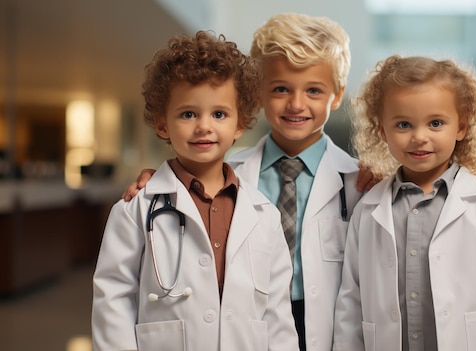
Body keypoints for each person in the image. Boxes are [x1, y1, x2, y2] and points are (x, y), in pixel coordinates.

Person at [121, 13, 376, 351]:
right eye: (280, 88)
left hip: (331, 329)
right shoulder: (225, 174)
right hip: (245, 323)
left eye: (314, 90)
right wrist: (158, 180)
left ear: (338, 94)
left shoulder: (363, 182)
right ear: (257, 93)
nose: (296, 104)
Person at [91, 31, 299, 351]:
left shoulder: (264, 215)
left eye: (219, 114)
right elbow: (113, 301)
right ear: (162, 124)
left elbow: (278, 315)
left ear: (239, 124)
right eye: (188, 114)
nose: (204, 126)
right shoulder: (135, 209)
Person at [332, 55, 476, 351]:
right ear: (382, 131)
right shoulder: (368, 210)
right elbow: (350, 300)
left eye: (436, 123)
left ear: (461, 127)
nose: (419, 137)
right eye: (403, 124)